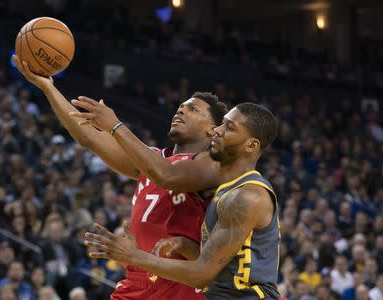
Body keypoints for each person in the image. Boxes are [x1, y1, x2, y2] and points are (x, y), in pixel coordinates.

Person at [13, 55, 228, 299]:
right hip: (137, 278)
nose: (180, 110)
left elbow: (166, 175)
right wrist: (48, 88)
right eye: (181, 106)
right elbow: (89, 137)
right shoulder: (152, 158)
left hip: (179, 283)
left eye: (193, 109)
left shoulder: (211, 164)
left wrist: (115, 126)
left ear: (213, 129)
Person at [85, 103, 281, 299]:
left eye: (229, 128)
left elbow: (202, 274)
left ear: (251, 145)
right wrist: (186, 245)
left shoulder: (247, 196)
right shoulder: (228, 189)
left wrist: (133, 256)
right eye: (222, 123)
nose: (218, 130)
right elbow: (221, 263)